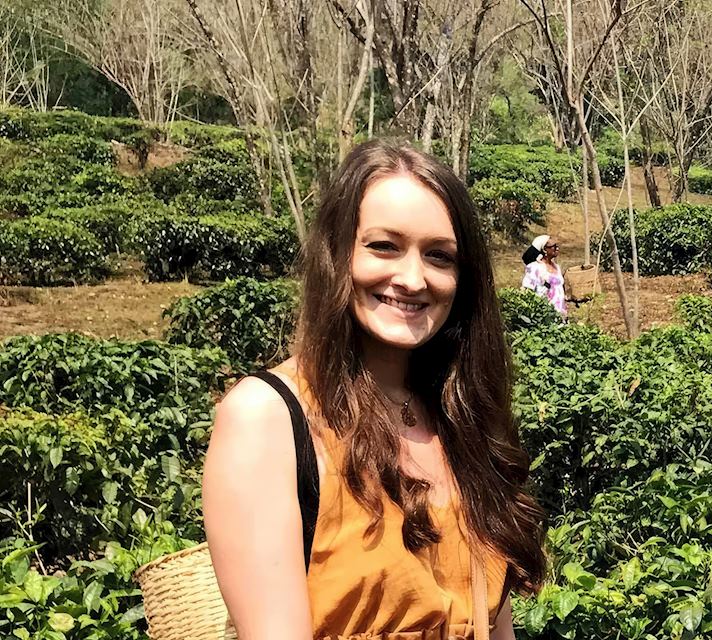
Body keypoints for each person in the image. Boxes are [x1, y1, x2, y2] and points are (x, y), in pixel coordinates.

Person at [202, 141, 546, 640]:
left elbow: (494, 626)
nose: (412, 278)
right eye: (384, 246)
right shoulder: (267, 419)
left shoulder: (461, 415)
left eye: (439, 256)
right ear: (337, 253)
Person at [520, 235, 568, 317]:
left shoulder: (557, 267)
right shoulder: (534, 268)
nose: (557, 248)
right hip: (544, 314)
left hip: (560, 314)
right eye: (554, 246)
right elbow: (526, 291)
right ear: (545, 249)